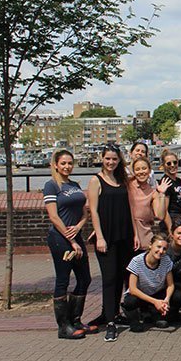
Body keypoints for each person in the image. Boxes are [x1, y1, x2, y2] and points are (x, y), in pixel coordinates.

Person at [87, 144, 134, 343]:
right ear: (102, 158)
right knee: (109, 278)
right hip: (107, 236)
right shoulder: (96, 181)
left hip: (125, 235)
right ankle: (110, 323)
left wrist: (135, 234)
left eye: (114, 159)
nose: (111, 162)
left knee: (122, 276)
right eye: (107, 159)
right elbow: (94, 211)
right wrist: (99, 236)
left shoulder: (122, 179)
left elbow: (129, 207)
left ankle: (113, 313)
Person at [44, 149, 91, 340]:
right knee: (63, 279)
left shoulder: (74, 184)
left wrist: (79, 227)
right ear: (55, 164)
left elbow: (85, 213)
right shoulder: (52, 186)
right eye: (63, 163)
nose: (67, 166)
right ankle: (63, 326)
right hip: (60, 239)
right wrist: (71, 240)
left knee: (85, 278)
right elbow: (54, 216)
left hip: (75, 236)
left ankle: (75, 319)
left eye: (70, 163)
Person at [121, 233, 175, 334]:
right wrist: (155, 302)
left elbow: (170, 285)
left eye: (164, 249)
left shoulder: (166, 260)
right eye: (158, 247)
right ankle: (134, 318)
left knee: (178, 295)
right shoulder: (137, 261)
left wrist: (166, 300)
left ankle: (153, 315)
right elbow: (132, 289)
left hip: (157, 292)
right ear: (150, 245)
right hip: (140, 295)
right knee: (130, 301)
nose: (161, 251)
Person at [128, 156, 167, 250]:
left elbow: (160, 215)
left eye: (144, 168)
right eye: (137, 169)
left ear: (149, 171)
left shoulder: (153, 192)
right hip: (128, 232)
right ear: (133, 172)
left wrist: (161, 194)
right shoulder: (127, 186)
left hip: (144, 234)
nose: (141, 172)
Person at [157, 149, 181, 233]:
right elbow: (165, 210)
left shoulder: (178, 180)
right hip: (172, 219)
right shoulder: (165, 182)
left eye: (175, 162)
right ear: (163, 165)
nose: (172, 165)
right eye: (169, 163)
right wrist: (171, 229)